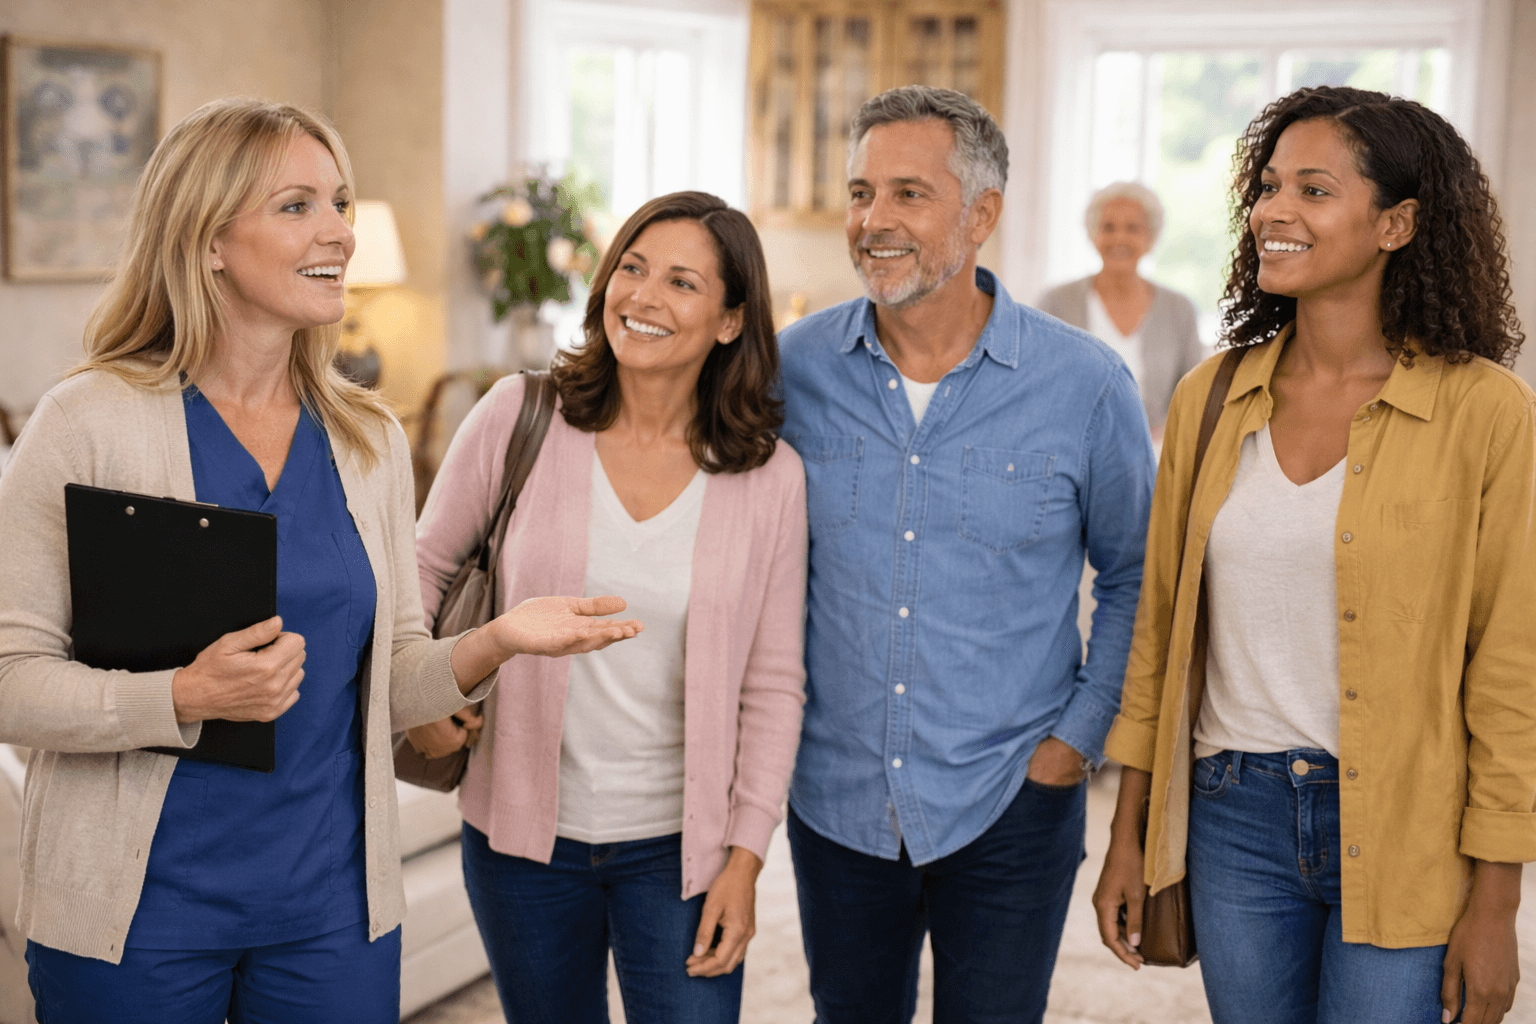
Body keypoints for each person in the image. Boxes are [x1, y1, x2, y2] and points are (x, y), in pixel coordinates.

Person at [0, 98, 639, 1024]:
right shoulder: (89, 422)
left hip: (328, 911)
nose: (339, 231)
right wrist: (179, 696)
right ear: (209, 239)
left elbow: (386, 681)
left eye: (340, 203)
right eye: (298, 205)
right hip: (134, 917)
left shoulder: (367, 436)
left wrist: (494, 640)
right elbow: (11, 681)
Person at [1093, 86, 1533, 1024]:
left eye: (1315, 190)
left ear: (1398, 223)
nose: (1274, 211)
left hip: (1409, 821)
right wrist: (1129, 835)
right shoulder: (1211, 395)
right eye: (1268, 185)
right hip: (1231, 812)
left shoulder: (1484, 411)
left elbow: (1510, 669)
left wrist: (1497, 903)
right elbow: (1163, 634)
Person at [777, 85, 1156, 1024]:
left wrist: (1076, 743)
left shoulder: (1085, 385)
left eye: (909, 193)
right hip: (837, 797)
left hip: (1012, 800)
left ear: (982, 214)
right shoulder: (792, 371)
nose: (873, 220)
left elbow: (1138, 574)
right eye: (862, 192)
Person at [411, 191, 807, 1024]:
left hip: (680, 852)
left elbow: (773, 685)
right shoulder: (518, 416)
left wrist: (745, 859)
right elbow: (418, 572)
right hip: (521, 845)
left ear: (732, 321)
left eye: (681, 282)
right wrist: (422, 704)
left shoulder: (769, 478)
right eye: (631, 267)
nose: (643, 296)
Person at [1037, 182, 1204, 435]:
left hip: (1155, 452)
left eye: (1132, 228)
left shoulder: (1179, 309)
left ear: (1150, 237)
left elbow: (1194, 397)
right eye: (1108, 227)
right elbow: (1038, 383)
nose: (1119, 238)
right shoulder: (1056, 302)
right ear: (1094, 235)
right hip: (1070, 447)